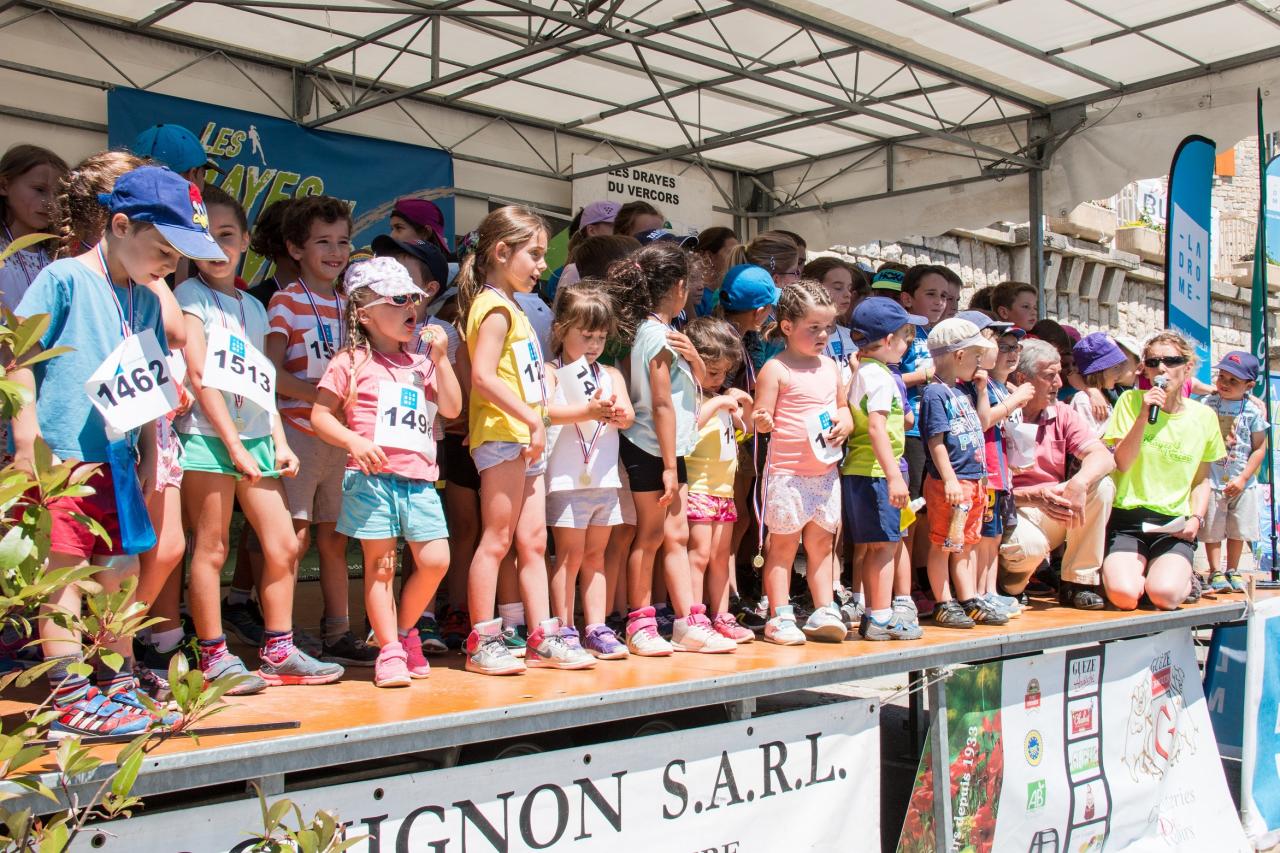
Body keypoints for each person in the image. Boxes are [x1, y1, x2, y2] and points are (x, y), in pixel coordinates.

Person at [12, 165, 221, 736]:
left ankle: (117, 676)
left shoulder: (147, 300)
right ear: (121, 225)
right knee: (64, 573)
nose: (171, 265)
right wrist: (25, 432)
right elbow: (17, 356)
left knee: (122, 570)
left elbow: (149, 382)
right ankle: (69, 692)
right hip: (62, 461)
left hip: (120, 460)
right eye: (163, 250)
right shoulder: (63, 279)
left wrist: (153, 449)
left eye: (179, 257)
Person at [175, 186, 342, 693]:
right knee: (213, 547)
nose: (217, 248)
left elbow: (261, 380)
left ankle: (279, 649)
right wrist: (233, 444)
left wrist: (278, 441)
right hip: (207, 438)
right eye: (203, 238)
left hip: (258, 441)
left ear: (247, 239)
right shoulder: (188, 297)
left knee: (284, 545)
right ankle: (214, 656)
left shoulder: (252, 304)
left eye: (227, 236)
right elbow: (198, 376)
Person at [310, 258, 461, 687]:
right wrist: (354, 442)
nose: (410, 306)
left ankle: (396, 632)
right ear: (365, 313)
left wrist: (442, 358)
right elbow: (321, 416)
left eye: (414, 297)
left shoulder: (421, 362)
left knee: (435, 561)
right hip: (370, 478)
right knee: (381, 566)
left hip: (419, 479)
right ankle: (391, 652)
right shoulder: (351, 361)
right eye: (397, 299)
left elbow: (451, 409)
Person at [459, 205, 595, 674]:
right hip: (503, 437)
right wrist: (531, 420)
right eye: (534, 254)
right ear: (501, 251)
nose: (543, 265)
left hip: (525, 438)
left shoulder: (514, 307)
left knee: (533, 541)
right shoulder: (493, 306)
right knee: (496, 540)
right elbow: (482, 377)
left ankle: (542, 635)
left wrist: (537, 416)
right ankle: (482, 639)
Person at [265, 196, 376, 665]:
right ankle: (283, 639)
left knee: (335, 538)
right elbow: (268, 372)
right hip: (296, 434)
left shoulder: (350, 307)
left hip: (338, 440)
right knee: (295, 538)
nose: (335, 251)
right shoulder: (284, 301)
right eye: (322, 242)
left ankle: (338, 633)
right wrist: (321, 399)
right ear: (295, 248)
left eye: (343, 241)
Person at [612, 242, 735, 656]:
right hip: (651, 448)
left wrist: (697, 363)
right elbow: (661, 403)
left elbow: (690, 390)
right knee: (649, 535)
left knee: (676, 535)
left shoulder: (667, 333)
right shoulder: (655, 335)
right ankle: (640, 623)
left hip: (669, 448)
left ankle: (687, 621)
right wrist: (668, 466)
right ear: (679, 287)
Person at [751, 281, 852, 644]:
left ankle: (824, 607)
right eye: (814, 327)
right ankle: (779, 613)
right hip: (787, 474)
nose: (823, 334)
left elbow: (843, 406)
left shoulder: (831, 366)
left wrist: (846, 421)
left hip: (824, 472)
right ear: (788, 326)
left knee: (822, 545)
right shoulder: (775, 369)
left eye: (828, 327)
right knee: (782, 547)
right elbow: (760, 413)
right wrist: (761, 420)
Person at [1101, 332, 1225, 610]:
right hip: (1129, 520)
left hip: (1173, 524)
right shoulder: (1131, 402)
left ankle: (1179, 577)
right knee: (1124, 595)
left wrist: (1196, 519)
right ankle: (1138, 574)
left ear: (1188, 367)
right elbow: (1122, 462)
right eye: (1154, 362)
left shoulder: (1203, 416)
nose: (1162, 368)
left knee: (1164, 595)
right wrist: (1144, 415)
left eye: (1171, 361)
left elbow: (1202, 478)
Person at [544, 282, 635, 659]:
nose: (594, 344)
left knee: (596, 555)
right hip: (566, 480)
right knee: (568, 555)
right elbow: (546, 412)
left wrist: (616, 412)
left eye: (600, 337)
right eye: (586, 335)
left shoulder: (610, 374)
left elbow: (628, 416)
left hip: (604, 480)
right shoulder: (551, 371)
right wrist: (588, 411)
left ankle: (596, 626)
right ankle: (563, 626)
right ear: (562, 328)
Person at [997, 339, 1116, 609]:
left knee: (1102, 485)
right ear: (1021, 378)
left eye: (1059, 374)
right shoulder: (998, 413)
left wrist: (1079, 482)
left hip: (1052, 505)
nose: (1059, 384)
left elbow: (1103, 456)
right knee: (1029, 547)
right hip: (1010, 509)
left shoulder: (1060, 412)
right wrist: (1033, 495)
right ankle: (1009, 587)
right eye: (1049, 376)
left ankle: (1078, 582)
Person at [843, 296, 927, 640]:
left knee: (879, 544)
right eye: (906, 336)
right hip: (877, 473)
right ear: (889, 340)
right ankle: (880, 617)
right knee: (885, 546)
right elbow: (877, 426)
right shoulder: (878, 377)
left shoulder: (868, 372)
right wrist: (894, 477)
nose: (908, 343)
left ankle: (873, 612)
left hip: (867, 471)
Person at [919, 317, 1003, 628]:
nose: (980, 364)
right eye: (976, 357)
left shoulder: (963, 391)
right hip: (951, 482)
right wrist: (950, 478)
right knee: (944, 543)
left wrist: (981, 390)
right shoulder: (936, 394)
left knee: (966, 543)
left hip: (974, 481)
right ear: (958, 356)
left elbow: (981, 424)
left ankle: (968, 598)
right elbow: (936, 440)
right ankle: (943, 601)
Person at [683, 317, 754, 644]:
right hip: (698, 488)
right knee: (698, 554)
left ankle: (721, 613)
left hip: (723, 492)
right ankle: (693, 614)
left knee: (720, 556)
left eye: (725, 373)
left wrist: (747, 407)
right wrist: (717, 403)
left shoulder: (720, 398)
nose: (719, 379)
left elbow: (745, 430)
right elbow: (687, 432)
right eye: (713, 372)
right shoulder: (694, 398)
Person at [956, 311, 1031, 620]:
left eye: (1016, 348)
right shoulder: (976, 384)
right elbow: (983, 419)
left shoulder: (1001, 385)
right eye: (1004, 346)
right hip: (982, 468)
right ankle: (977, 593)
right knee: (981, 535)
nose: (1011, 353)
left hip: (1000, 470)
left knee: (995, 534)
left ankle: (990, 590)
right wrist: (1013, 401)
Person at [1198, 352, 1269, 592]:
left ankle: (1233, 569)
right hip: (1212, 478)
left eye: (1233, 381)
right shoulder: (1207, 404)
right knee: (1212, 527)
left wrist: (1244, 477)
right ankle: (1215, 570)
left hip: (1241, 482)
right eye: (1222, 377)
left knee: (1238, 529)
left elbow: (1260, 447)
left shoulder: (1252, 411)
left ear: (1249, 385)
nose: (1224, 384)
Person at [0, 144, 67, 309]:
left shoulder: (58, 254)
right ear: (3, 185)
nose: (51, 203)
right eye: (39, 190)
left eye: (58, 194)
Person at [1070, 333, 1127, 436]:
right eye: (1115, 368)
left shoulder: (1108, 394)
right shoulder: (1083, 401)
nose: (1119, 374)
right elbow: (1085, 443)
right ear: (1099, 370)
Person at [130, 124, 219, 186]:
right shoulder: (188, 212)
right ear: (193, 174)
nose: (204, 183)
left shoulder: (120, 204)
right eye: (203, 174)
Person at [693, 226, 738, 316]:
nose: (736, 258)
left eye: (737, 253)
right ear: (708, 256)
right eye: (731, 253)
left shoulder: (731, 292)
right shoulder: (696, 295)